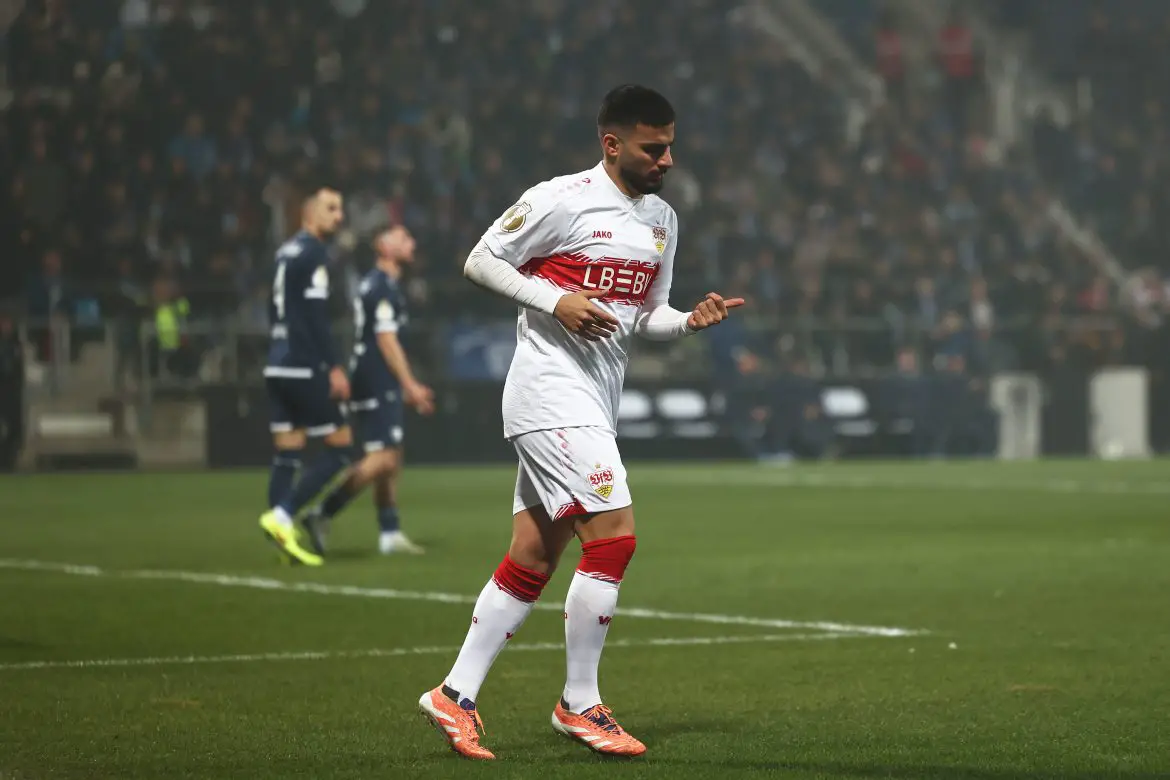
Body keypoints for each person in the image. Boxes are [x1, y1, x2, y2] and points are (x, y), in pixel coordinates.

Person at [417, 85, 743, 760]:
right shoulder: (558, 198)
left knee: (533, 557)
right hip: (547, 394)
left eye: (672, 145)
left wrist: (688, 320)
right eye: (655, 148)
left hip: (596, 402)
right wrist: (557, 299)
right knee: (614, 537)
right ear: (612, 143)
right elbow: (481, 260)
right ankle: (580, 703)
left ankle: (454, 695)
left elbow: (644, 314)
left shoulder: (662, 220)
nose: (668, 159)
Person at [301, 225, 435, 556]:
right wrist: (410, 385)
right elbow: (386, 341)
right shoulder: (382, 287)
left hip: (373, 374)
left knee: (392, 454)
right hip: (376, 374)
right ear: (383, 245)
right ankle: (323, 512)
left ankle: (389, 532)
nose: (412, 242)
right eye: (403, 238)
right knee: (384, 457)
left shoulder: (380, 284)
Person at [257, 188, 354, 567]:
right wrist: (332, 365)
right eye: (331, 208)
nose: (339, 216)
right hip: (303, 363)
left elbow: (273, 306)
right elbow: (316, 317)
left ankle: (282, 539)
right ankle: (282, 517)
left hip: (277, 361)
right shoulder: (315, 253)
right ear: (308, 214)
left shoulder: (286, 251)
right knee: (341, 445)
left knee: (288, 450)